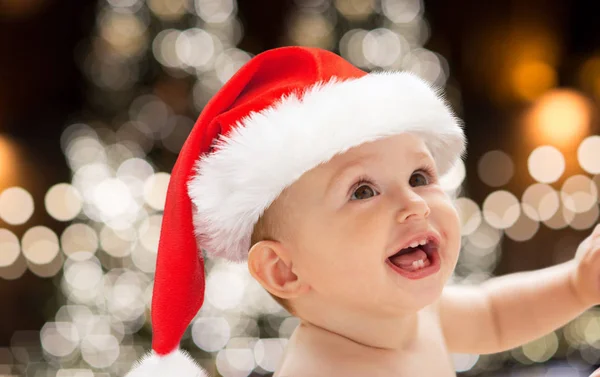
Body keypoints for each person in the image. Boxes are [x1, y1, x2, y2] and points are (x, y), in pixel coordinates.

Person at [125, 46, 600, 376]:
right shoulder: (325, 370)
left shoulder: (417, 316)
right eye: (363, 191)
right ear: (284, 268)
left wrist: (578, 283)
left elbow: (495, 315)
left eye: (419, 177)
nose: (413, 204)